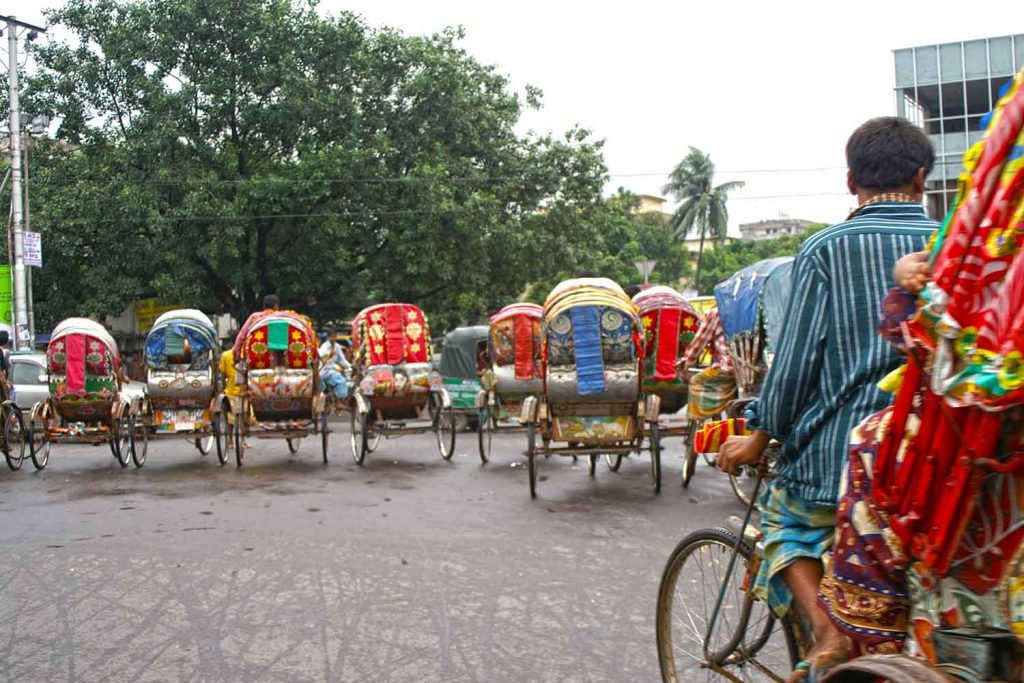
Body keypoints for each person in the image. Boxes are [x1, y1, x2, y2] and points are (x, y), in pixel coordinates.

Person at [716, 117, 937, 681]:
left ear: (850, 182)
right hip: (935, 466)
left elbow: (791, 371)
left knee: (783, 517)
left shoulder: (825, 250)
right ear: (920, 179)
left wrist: (761, 434)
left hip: (836, 466)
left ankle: (829, 631)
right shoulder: (953, 244)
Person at [679, 307, 736, 419]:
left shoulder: (716, 313)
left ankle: (698, 422)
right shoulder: (748, 308)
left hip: (728, 367)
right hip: (749, 368)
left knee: (696, 381)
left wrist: (685, 365)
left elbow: (698, 344)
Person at [318, 330, 351, 400]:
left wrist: (350, 366)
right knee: (342, 381)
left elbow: (342, 360)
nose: (333, 338)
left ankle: (337, 397)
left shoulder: (337, 347)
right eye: (331, 337)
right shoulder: (325, 346)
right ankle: (341, 400)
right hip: (325, 371)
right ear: (328, 337)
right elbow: (320, 355)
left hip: (332, 370)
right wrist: (328, 353)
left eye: (334, 336)